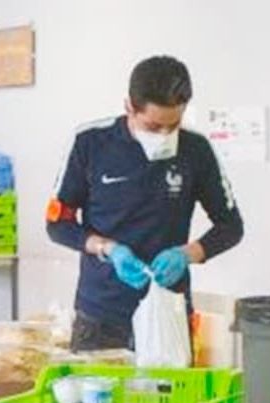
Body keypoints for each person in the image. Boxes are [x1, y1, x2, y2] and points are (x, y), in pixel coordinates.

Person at [46, 55, 244, 351]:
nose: (165, 135)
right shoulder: (90, 143)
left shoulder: (196, 149)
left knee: (169, 395)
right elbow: (57, 224)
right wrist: (107, 249)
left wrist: (187, 254)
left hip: (169, 311)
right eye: (153, 126)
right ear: (129, 107)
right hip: (101, 314)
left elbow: (230, 226)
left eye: (173, 125)